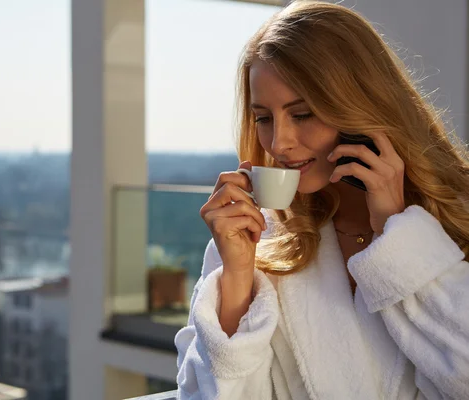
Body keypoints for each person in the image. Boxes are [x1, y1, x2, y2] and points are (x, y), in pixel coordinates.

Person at [174, 1, 469, 399]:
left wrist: (398, 237)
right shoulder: (254, 242)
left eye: (304, 114)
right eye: (264, 118)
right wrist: (239, 280)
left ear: (362, 105)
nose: (279, 144)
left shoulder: (457, 217)